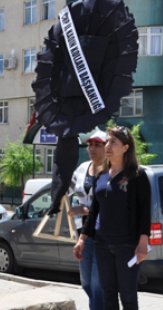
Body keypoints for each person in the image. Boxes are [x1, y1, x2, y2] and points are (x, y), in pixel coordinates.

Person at [73, 126, 151, 310]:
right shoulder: (101, 175)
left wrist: (143, 242)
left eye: (113, 142)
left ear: (125, 147)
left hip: (127, 245)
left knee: (128, 295)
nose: (107, 146)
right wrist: (82, 239)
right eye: (107, 141)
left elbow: (144, 211)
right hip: (102, 244)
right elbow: (94, 211)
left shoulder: (137, 176)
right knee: (108, 294)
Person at [68, 129, 107, 310]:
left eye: (98, 145)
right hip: (84, 233)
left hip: (103, 234)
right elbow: (66, 189)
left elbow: (108, 206)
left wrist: (85, 210)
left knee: (98, 283)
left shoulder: (110, 171)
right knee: (86, 282)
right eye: (90, 144)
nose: (92, 148)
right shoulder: (83, 168)